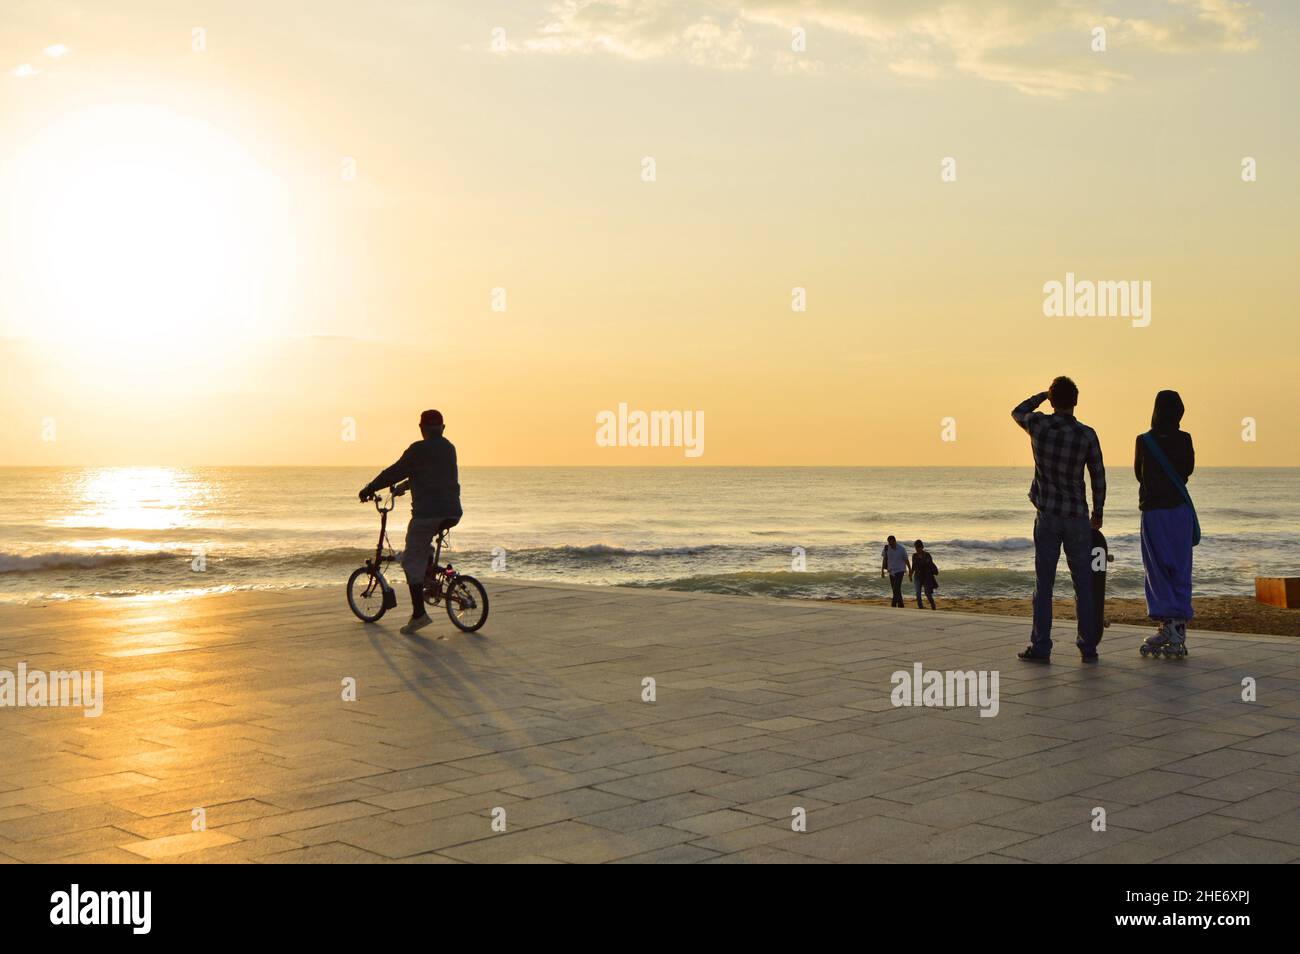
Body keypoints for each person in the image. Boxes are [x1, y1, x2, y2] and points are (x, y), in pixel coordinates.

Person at [1011, 377, 1106, 662]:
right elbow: (1098, 476)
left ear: (1052, 401)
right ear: (1076, 402)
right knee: (1083, 584)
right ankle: (1087, 647)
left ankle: (1041, 646)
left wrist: (1043, 395)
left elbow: (1017, 411)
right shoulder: (1087, 434)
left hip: (1048, 516)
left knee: (1045, 585)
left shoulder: (1039, 426)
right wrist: (1097, 512)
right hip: (1077, 517)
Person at [359, 409, 463, 635]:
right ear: (443, 429)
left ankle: (419, 615)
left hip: (427, 515)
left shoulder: (418, 450)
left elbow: (394, 471)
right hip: (453, 512)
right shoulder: (449, 448)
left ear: (421, 429)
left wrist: (370, 488)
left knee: (410, 563)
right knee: (421, 548)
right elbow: (432, 475)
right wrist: (404, 487)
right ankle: (430, 575)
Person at [1135, 390, 1195, 657]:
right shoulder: (1185, 439)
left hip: (1154, 513)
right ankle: (1178, 625)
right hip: (1179, 512)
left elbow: (1140, 474)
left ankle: (1166, 624)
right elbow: (1186, 471)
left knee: (1157, 569)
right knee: (1180, 567)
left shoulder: (1144, 441)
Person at [880, 535, 911, 607]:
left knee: (896, 588)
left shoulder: (901, 549)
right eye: (889, 543)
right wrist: (882, 571)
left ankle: (893, 605)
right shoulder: (887, 548)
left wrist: (910, 569)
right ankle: (901, 605)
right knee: (895, 590)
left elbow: (906, 560)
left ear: (895, 541)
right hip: (891, 571)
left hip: (900, 570)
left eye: (892, 543)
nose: (891, 545)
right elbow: (884, 560)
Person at [910, 540, 938, 609]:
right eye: (916, 548)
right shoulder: (914, 556)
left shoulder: (927, 555)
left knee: (927, 593)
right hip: (917, 576)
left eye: (919, 547)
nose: (917, 549)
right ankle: (921, 607)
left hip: (926, 576)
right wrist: (910, 574)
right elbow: (913, 566)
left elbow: (930, 564)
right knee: (918, 594)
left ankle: (933, 605)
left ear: (922, 547)